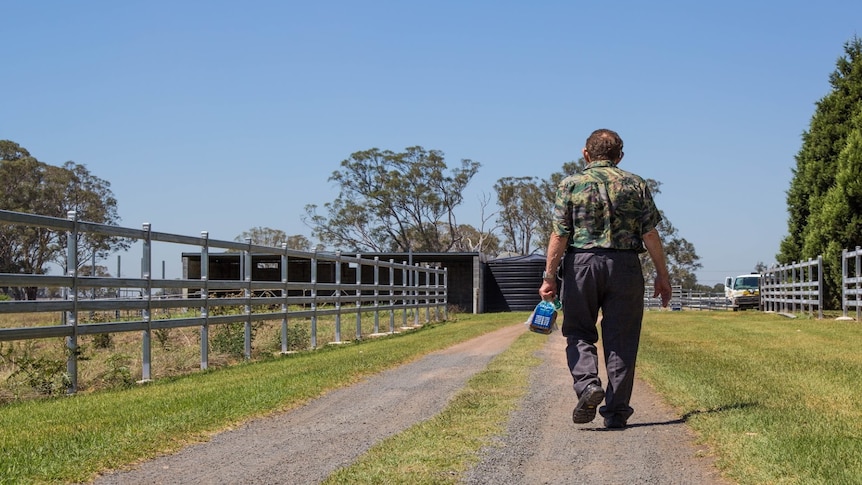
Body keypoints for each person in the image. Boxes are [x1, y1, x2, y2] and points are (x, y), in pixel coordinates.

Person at [539, 128, 672, 429]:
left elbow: (560, 234)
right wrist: (662, 276)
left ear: (586, 154)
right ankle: (616, 412)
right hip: (625, 266)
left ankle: (587, 385)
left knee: (579, 331)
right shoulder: (636, 184)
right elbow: (650, 233)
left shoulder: (570, 184)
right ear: (620, 157)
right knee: (622, 339)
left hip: (582, 265)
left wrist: (549, 277)